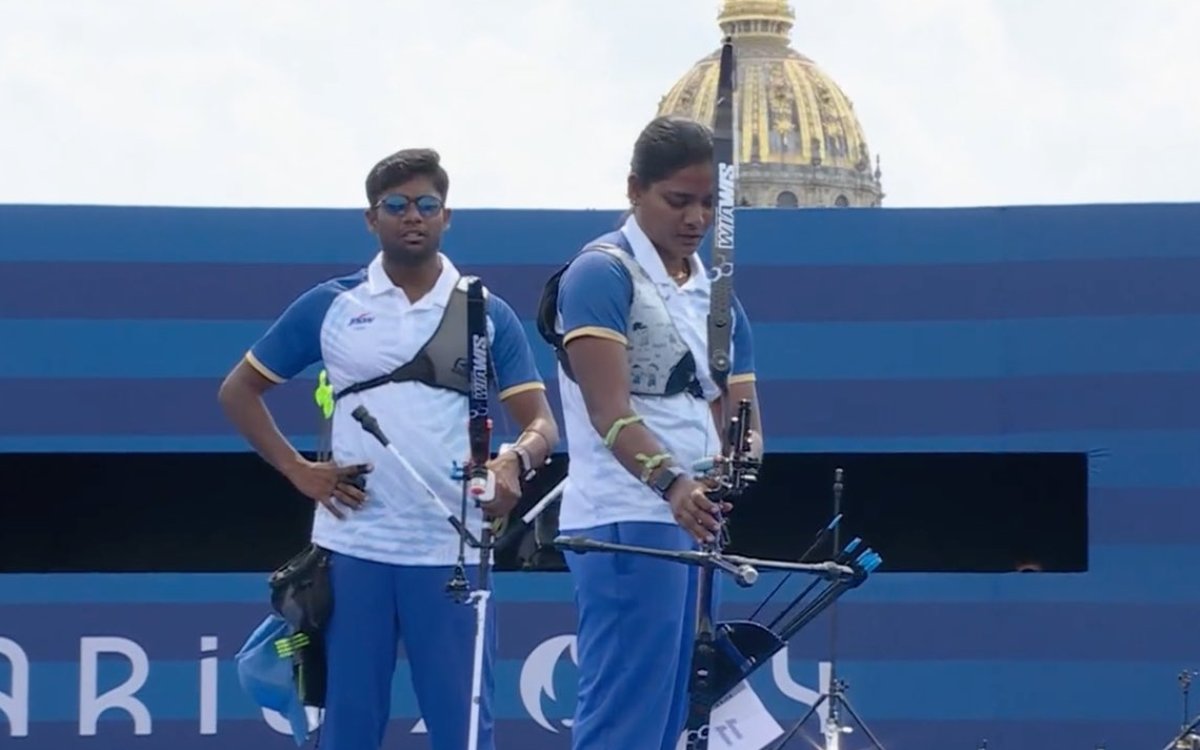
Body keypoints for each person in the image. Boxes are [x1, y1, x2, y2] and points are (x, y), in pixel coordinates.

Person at [218, 147, 558, 750]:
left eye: (427, 204)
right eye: (396, 205)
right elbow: (239, 391)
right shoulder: (333, 304)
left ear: (446, 216)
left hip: (451, 553)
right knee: (349, 730)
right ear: (371, 218)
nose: (413, 216)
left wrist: (513, 461)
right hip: (354, 551)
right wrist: (299, 470)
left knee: (463, 733)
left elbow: (541, 425)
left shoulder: (486, 312)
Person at [535, 115, 763, 750]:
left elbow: (743, 419)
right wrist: (674, 483)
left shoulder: (716, 295)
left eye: (709, 204)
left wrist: (736, 465)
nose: (696, 219)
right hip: (625, 521)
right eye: (678, 200)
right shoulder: (600, 274)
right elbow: (608, 412)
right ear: (635, 189)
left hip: (693, 523)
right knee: (624, 719)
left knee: (668, 720)